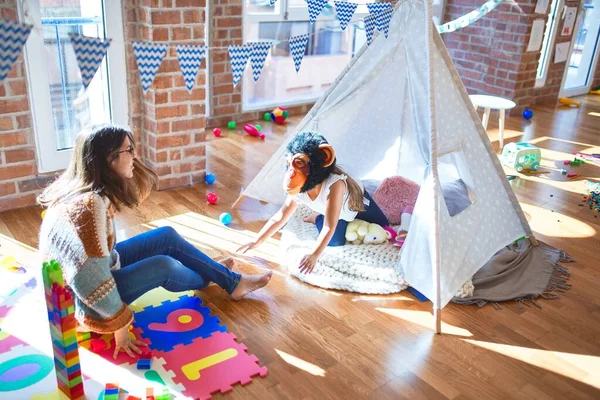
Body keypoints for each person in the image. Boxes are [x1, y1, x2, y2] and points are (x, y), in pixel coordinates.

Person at [38, 124, 272, 359]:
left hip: (98, 275)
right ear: (108, 159)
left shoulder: (80, 191)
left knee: (166, 235)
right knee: (164, 266)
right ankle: (213, 276)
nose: (134, 156)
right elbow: (90, 278)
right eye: (129, 150)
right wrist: (120, 329)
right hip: (86, 305)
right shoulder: (89, 207)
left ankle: (226, 279)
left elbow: (94, 263)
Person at [237, 131, 388, 274]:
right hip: (336, 213)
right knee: (334, 242)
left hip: (356, 203)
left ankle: (322, 214)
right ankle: (318, 216)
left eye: (299, 163)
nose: (291, 172)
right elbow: (280, 217)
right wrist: (256, 241)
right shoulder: (299, 188)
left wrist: (314, 254)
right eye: (289, 164)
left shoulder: (335, 185)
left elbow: (330, 226)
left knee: (384, 224)